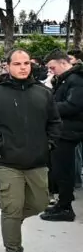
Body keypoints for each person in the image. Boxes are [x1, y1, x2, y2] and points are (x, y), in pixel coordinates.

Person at [0, 49, 61, 252]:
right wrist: (2, 145)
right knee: (13, 206)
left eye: (26, 63)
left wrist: (48, 145)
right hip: (7, 162)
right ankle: (13, 251)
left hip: (37, 161)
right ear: (8, 66)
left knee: (40, 203)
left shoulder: (43, 93)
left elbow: (55, 122)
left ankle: (10, 218)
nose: (23, 67)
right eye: (17, 64)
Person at [40, 50, 83, 222]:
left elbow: (73, 105)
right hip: (63, 130)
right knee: (59, 169)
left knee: (64, 170)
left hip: (69, 131)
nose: (51, 71)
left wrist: (48, 107)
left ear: (63, 63)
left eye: (53, 68)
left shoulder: (76, 80)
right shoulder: (67, 79)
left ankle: (66, 207)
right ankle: (62, 203)